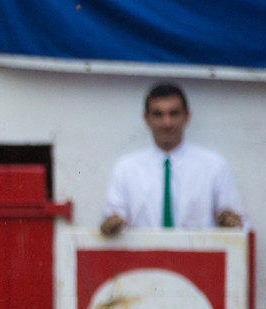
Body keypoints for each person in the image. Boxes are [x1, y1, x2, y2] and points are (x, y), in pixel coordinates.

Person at [101, 83, 245, 236]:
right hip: (142, 259)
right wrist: (111, 225)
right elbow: (111, 225)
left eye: (174, 113)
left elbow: (238, 227)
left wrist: (232, 223)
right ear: (146, 119)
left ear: (187, 116)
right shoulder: (125, 168)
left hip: (198, 258)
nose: (166, 123)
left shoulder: (215, 166)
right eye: (158, 114)